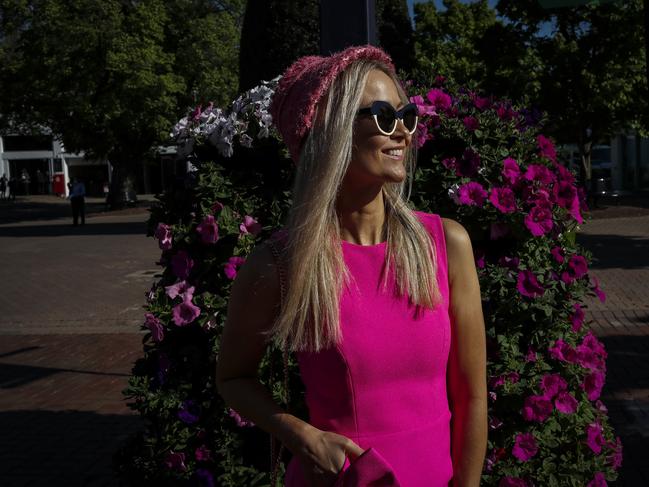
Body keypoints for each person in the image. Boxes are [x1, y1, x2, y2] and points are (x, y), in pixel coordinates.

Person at [215, 46, 487, 487]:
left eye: (407, 114)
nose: (402, 130)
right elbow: (232, 377)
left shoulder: (445, 244)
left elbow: (472, 394)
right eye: (383, 115)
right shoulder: (282, 265)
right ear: (333, 130)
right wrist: (302, 437)